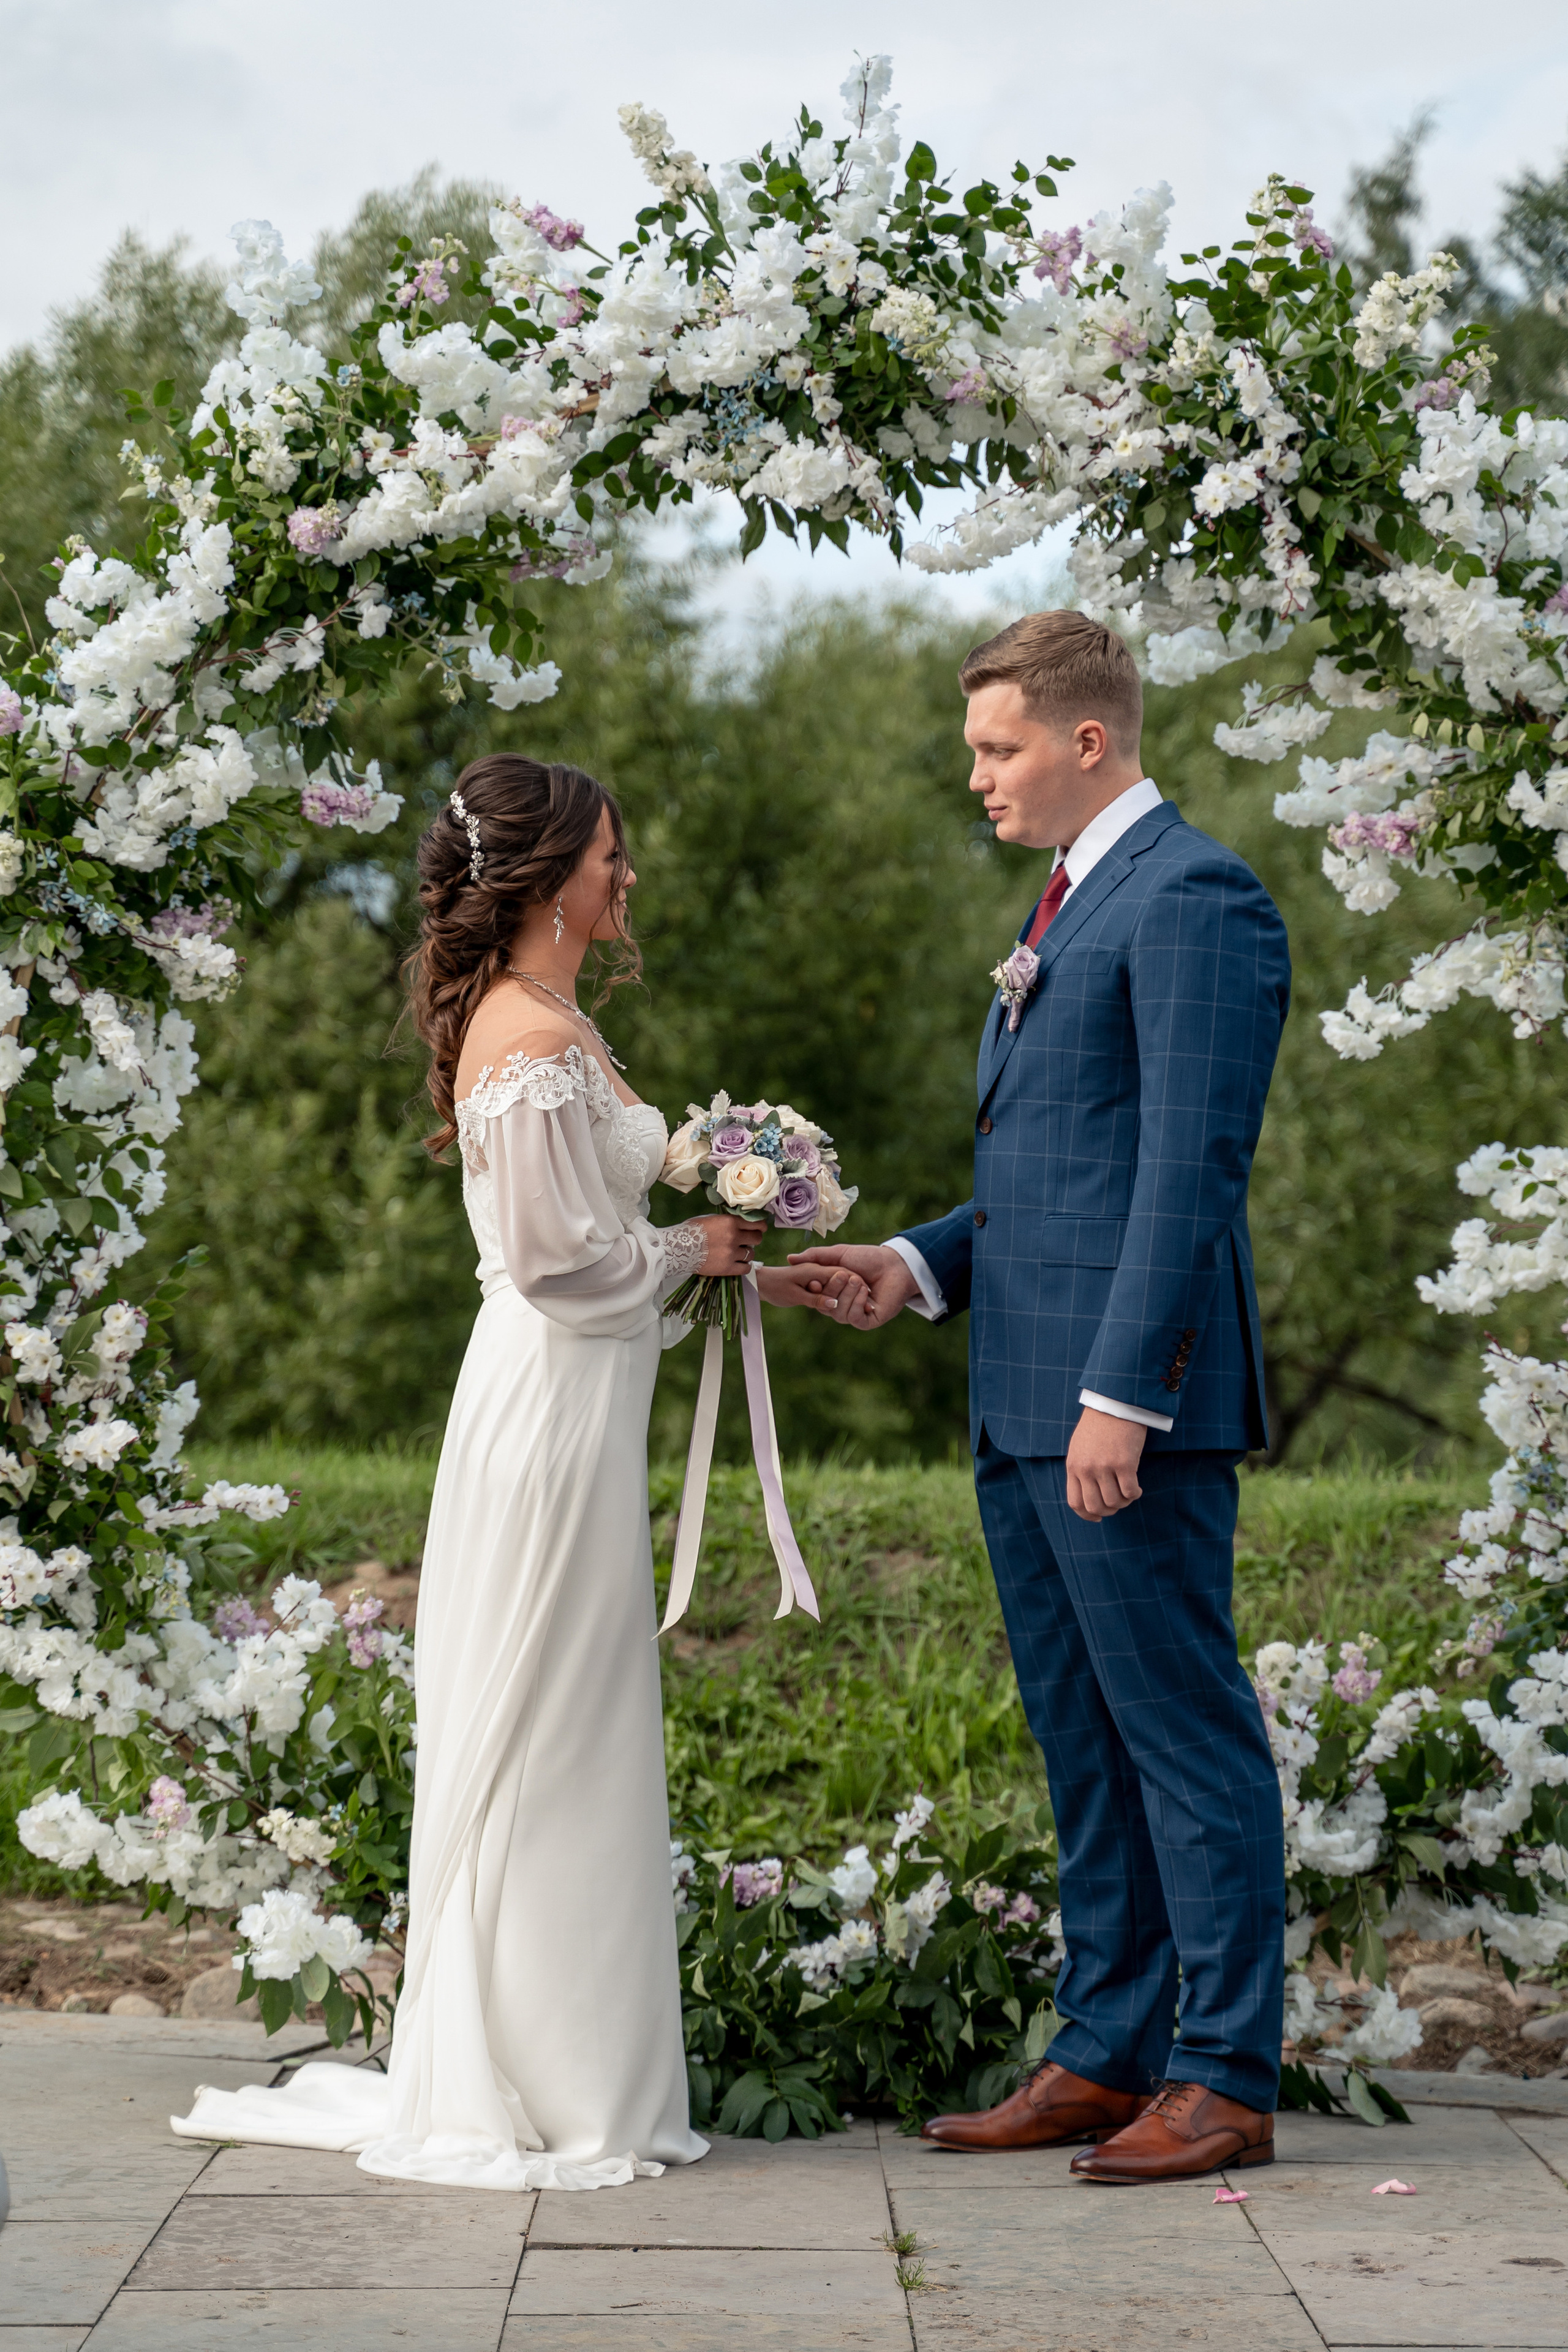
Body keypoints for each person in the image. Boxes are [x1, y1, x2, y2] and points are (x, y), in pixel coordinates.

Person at [173, 754, 865, 2190]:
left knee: (579, 1717)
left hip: (583, 1395)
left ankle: (574, 2066)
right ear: (549, 877)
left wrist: (757, 1278)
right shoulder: (522, 1033)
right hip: (545, 1408)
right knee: (549, 1719)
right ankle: (541, 2085)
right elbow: (556, 1265)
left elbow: (601, 1257)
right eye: (610, 856)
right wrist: (693, 1246)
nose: (626, 878)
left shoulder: (557, 1022)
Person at [793, 612, 1291, 2184]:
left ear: (1088, 741)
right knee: (1083, 1741)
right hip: (1018, 1395)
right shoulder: (1070, 896)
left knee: (1180, 1736)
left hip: (1112, 1412)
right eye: (972, 751)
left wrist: (1120, 1398)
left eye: (996, 749)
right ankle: (1104, 2049)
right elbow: (1056, 1167)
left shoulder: (1195, 895)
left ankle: (1220, 2075)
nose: (976, 778)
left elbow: (1184, 1172)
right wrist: (914, 1266)